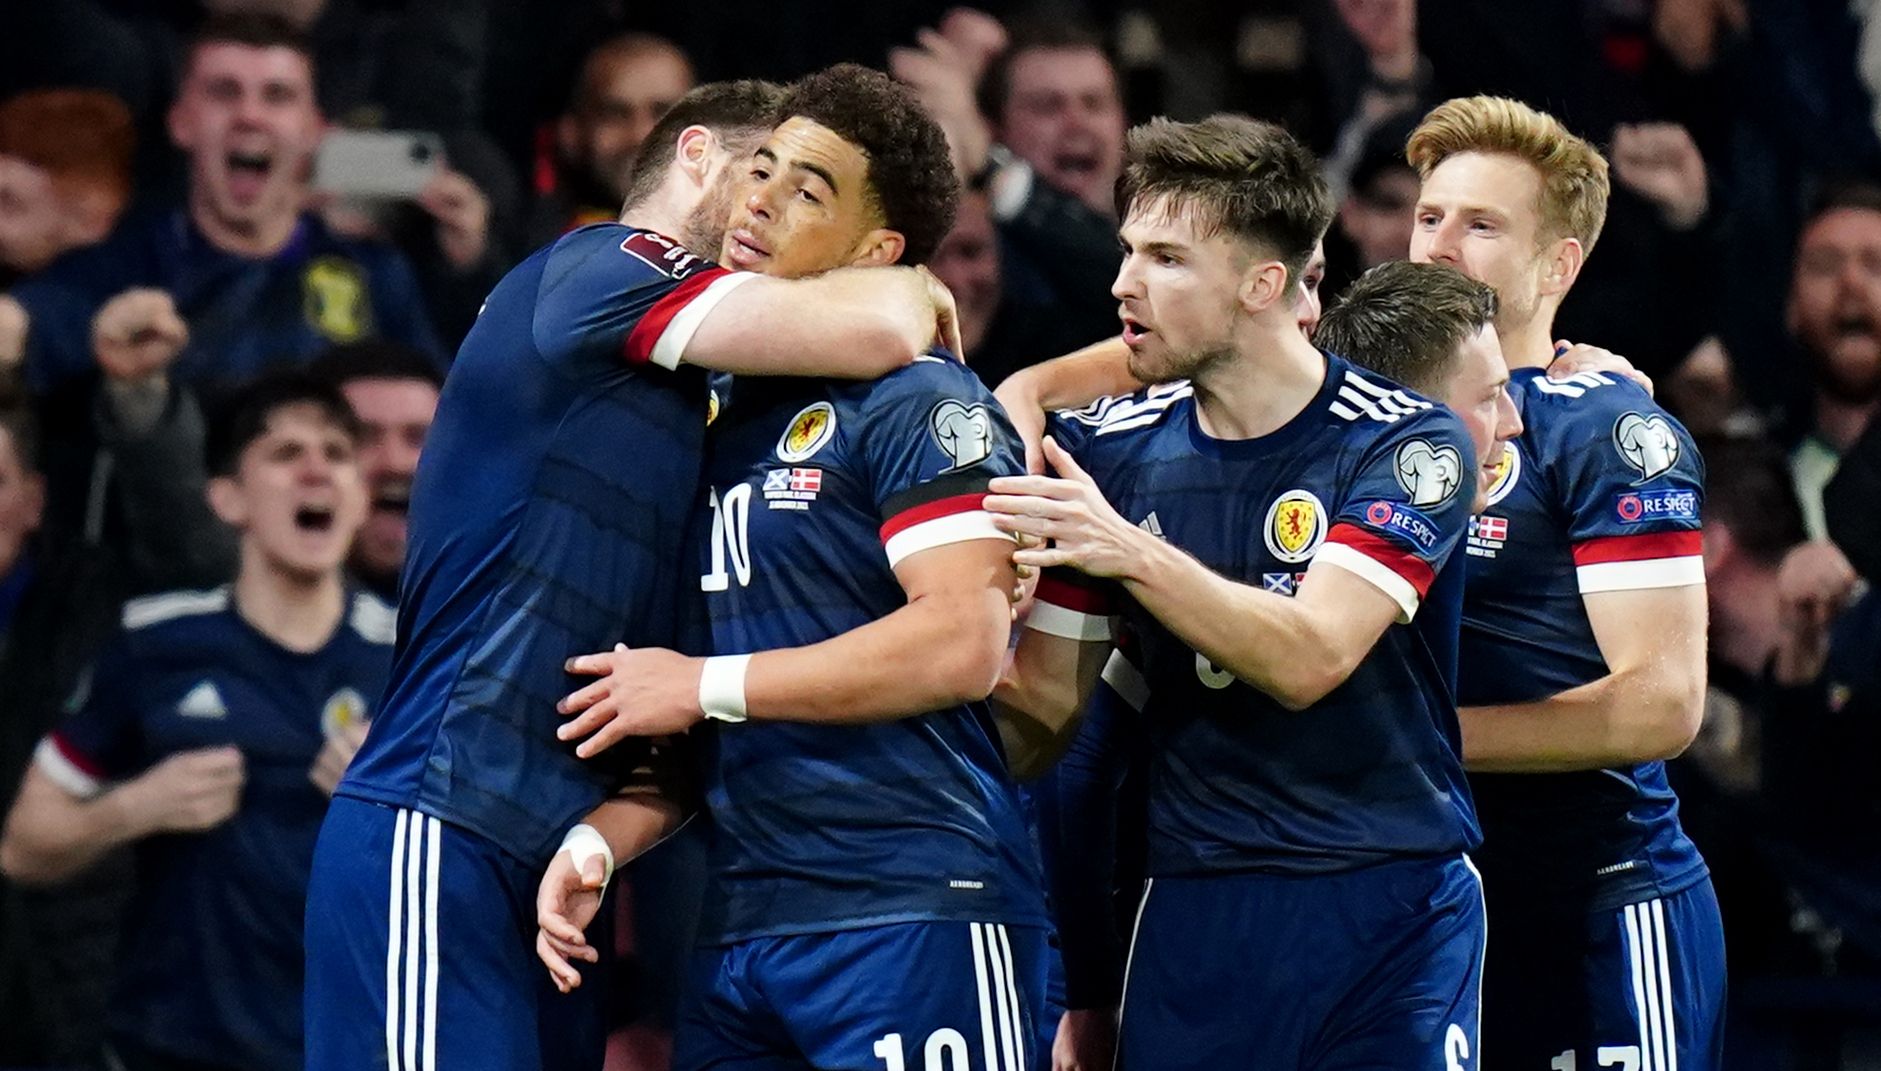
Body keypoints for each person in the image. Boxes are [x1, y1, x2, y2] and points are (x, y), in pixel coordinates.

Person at [303, 75, 970, 1071]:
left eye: (801, 191)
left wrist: (604, 840)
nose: (764, 207)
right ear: (696, 155)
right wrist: (913, 282)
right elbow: (875, 328)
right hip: (438, 828)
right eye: (758, 171)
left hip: (558, 877)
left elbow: (686, 714)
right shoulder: (600, 265)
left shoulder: (712, 412)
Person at [977, 114, 1486, 1070]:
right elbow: (1043, 707)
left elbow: (1310, 656)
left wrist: (1127, 550)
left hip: (1391, 900)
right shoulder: (1107, 453)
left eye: (1166, 258)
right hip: (1195, 901)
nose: (1122, 282)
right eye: (1128, 250)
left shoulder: (1405, 442)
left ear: (1263, 285)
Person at [1406, 95, 1722, 1067]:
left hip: (1601, 900)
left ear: (1560, 266)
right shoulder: (1356, 420)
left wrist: (1418, 742)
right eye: (1428, 216)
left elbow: (1664, 705)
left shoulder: (1605, 430)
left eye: (1481, 224)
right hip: (1435, 910)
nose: (1440, 245)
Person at [0, 371, 386, 1071]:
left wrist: (389, 806)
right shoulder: (155, 643)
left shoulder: (409, 661)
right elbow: (23, 845)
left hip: (347, 1047)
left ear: (360, 496)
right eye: (283, 453)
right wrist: (134, 806)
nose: (314, 471)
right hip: (168, 1047)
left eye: (335, 453)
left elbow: (490, 871)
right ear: (226, 497)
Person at [2, 13, 445, 537]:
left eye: (276, 96)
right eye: (224, 93)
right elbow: (30, 323)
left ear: (312, 129)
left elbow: (450, 432)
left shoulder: (377, 275)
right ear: (181, 121)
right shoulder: (125, 265)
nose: (249, 117)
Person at [531, 33, 697, 245]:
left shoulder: (742, 241)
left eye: (664, 112)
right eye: (616, 114)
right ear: (571, 132)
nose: (642, 134)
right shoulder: (532, 257)